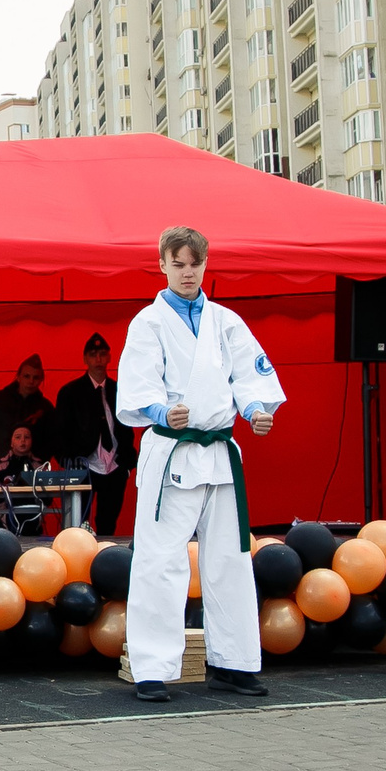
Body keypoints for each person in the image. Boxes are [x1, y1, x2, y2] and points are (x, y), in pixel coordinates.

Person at [115, 226, 286, 705]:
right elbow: (138, 385)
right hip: (172, 449)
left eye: (196, 264)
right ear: (163, 265)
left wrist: (256, 410)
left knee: (231, 560)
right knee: (159, 560)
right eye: (179, 263)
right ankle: (151, 667)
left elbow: (249, 374)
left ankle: (234, 663)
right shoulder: (147, 323)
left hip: (220, 452)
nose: (188, 272)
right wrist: (158, 412)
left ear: (205, 265)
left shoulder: (226, 321)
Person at [53, 331, 134, 537]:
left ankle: (107, 560)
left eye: (102, 354)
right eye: (93, 354)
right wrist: (67, 460)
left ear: (109, 357)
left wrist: (126, 463)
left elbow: (128, 426)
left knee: (108, 522)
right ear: (85, 359)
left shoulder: (120, 389)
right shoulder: (71, 392)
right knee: (80, 525)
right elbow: (60, 430)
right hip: (85, 464)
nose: (98, 359)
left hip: (115, 465)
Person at [0, 354, 53, 477]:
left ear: (41, 379)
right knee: (0, 496)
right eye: (26, 376)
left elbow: (54, 435)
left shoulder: (45, 407)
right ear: (18, 377)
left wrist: (42, 456)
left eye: (35, 377)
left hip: (34, 468)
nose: (31, 381)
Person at [0, 422, 52, 536]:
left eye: (26, 437)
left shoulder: (41, 468)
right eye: (18, 437)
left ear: (32, 441)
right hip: (5, 528)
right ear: (11, 442)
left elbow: (49, 499)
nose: (23, 441)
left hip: (34, 526)